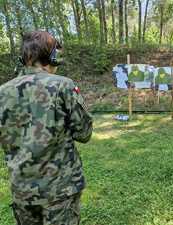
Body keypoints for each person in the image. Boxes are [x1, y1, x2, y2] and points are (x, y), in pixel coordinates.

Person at [0, 31, 93, 225]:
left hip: (23, 191)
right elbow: (84, 133)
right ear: (52, 57)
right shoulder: (63, 86)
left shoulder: (2, 92)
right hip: (60, 191)